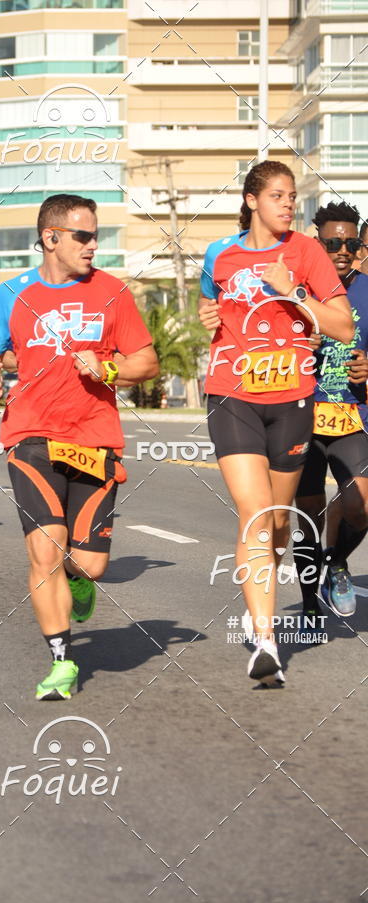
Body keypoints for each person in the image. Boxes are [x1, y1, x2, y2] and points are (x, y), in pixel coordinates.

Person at [0, 193, 158, 701]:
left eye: (95, 235)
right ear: (51, 238)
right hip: (30, 435)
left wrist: (111, 368)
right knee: (45, 551)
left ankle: (79, 580)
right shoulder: (11, 294)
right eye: (83, 236)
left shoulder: (112, 293)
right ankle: (61, 659)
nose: (93, 245)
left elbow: (147, 361)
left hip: (95, 436)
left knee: (89, 564)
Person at [199, 160, 353, 687]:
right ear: (251, 200)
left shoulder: (307, 254)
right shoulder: (220, 253)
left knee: (280, 523)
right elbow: (209, 300)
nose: (289, 204)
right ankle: (266, 641)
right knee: (255, 513)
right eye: (279, 196)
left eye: (293, 197)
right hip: (232, 393)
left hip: (291, 399)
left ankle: (266, 587)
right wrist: (208, 316)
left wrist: (295, 292)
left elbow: (343, 326)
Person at [293, 202, 368, 622]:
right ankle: (307, 604)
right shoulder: (295, 292)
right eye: (332, 242)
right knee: (308, 516)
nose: (342, 250)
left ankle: (336, 563)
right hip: (300, 416)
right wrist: (297, 347)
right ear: (315, 242)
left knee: (362, 506)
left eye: (350, 242)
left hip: (351, 415)